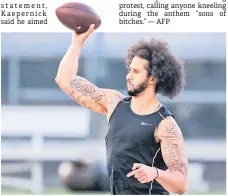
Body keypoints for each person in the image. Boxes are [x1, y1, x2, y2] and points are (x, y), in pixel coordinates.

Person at [55, 24, 188, 195]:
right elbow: (65, 79)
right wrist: (77, 43)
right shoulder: (113, 103)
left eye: (136, 71)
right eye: (129, 69)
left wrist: (155, 173)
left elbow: (181, 184)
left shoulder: (165, 125)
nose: (128, 76)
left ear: (152, 79)